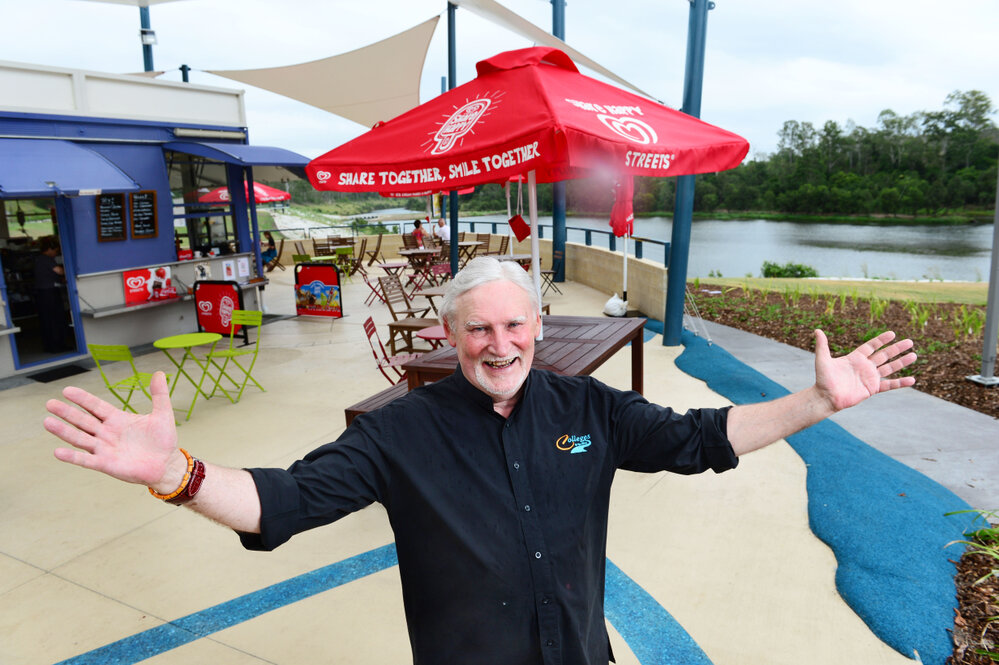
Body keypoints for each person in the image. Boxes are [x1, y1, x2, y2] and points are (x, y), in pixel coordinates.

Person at [43, 257, 916, 664]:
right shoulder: (400, 432)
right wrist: (177, 472)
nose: (498, 344)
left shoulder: (589, 409)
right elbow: (284, 502)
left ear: (538, 327)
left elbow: (698, 440)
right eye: (478, 329)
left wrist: (816, 403)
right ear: (447, 335)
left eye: (513, 325)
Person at [33, 235, 68, 353]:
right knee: (55, 319)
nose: (55, 254)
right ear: (50, 249)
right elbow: (59, 271)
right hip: (49, 293)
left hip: (41, 293)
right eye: (56, 251)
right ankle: (57, 345)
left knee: (46, 320)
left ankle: (50, 345)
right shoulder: (46, 259)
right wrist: (66, 270)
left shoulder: (38, 259)